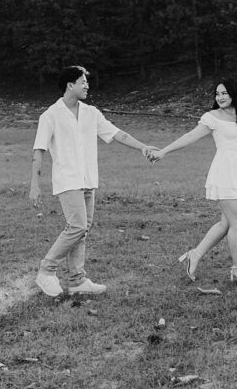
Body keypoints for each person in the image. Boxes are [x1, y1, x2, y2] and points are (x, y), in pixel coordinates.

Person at [30, 65, 157, 298]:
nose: (87, 86)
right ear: (70, 85)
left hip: (88, 179)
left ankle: (77, 281)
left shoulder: (91, 113)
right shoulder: (50, 115)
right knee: (77, 227)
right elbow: (39, 150)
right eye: (83, 82)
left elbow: (117, 133)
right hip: (67, 180)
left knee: (82, 230)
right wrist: (34, 185)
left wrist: (143, 147)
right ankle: (46, 271)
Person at [150, 78, 237, 287]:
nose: (219, 97)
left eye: (224, 93)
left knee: (226, 223)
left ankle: (195, 254)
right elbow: (190, 136)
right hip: (225, 173)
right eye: (217, 94)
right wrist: (164, 151)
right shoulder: (212, 117)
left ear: (234, 94)